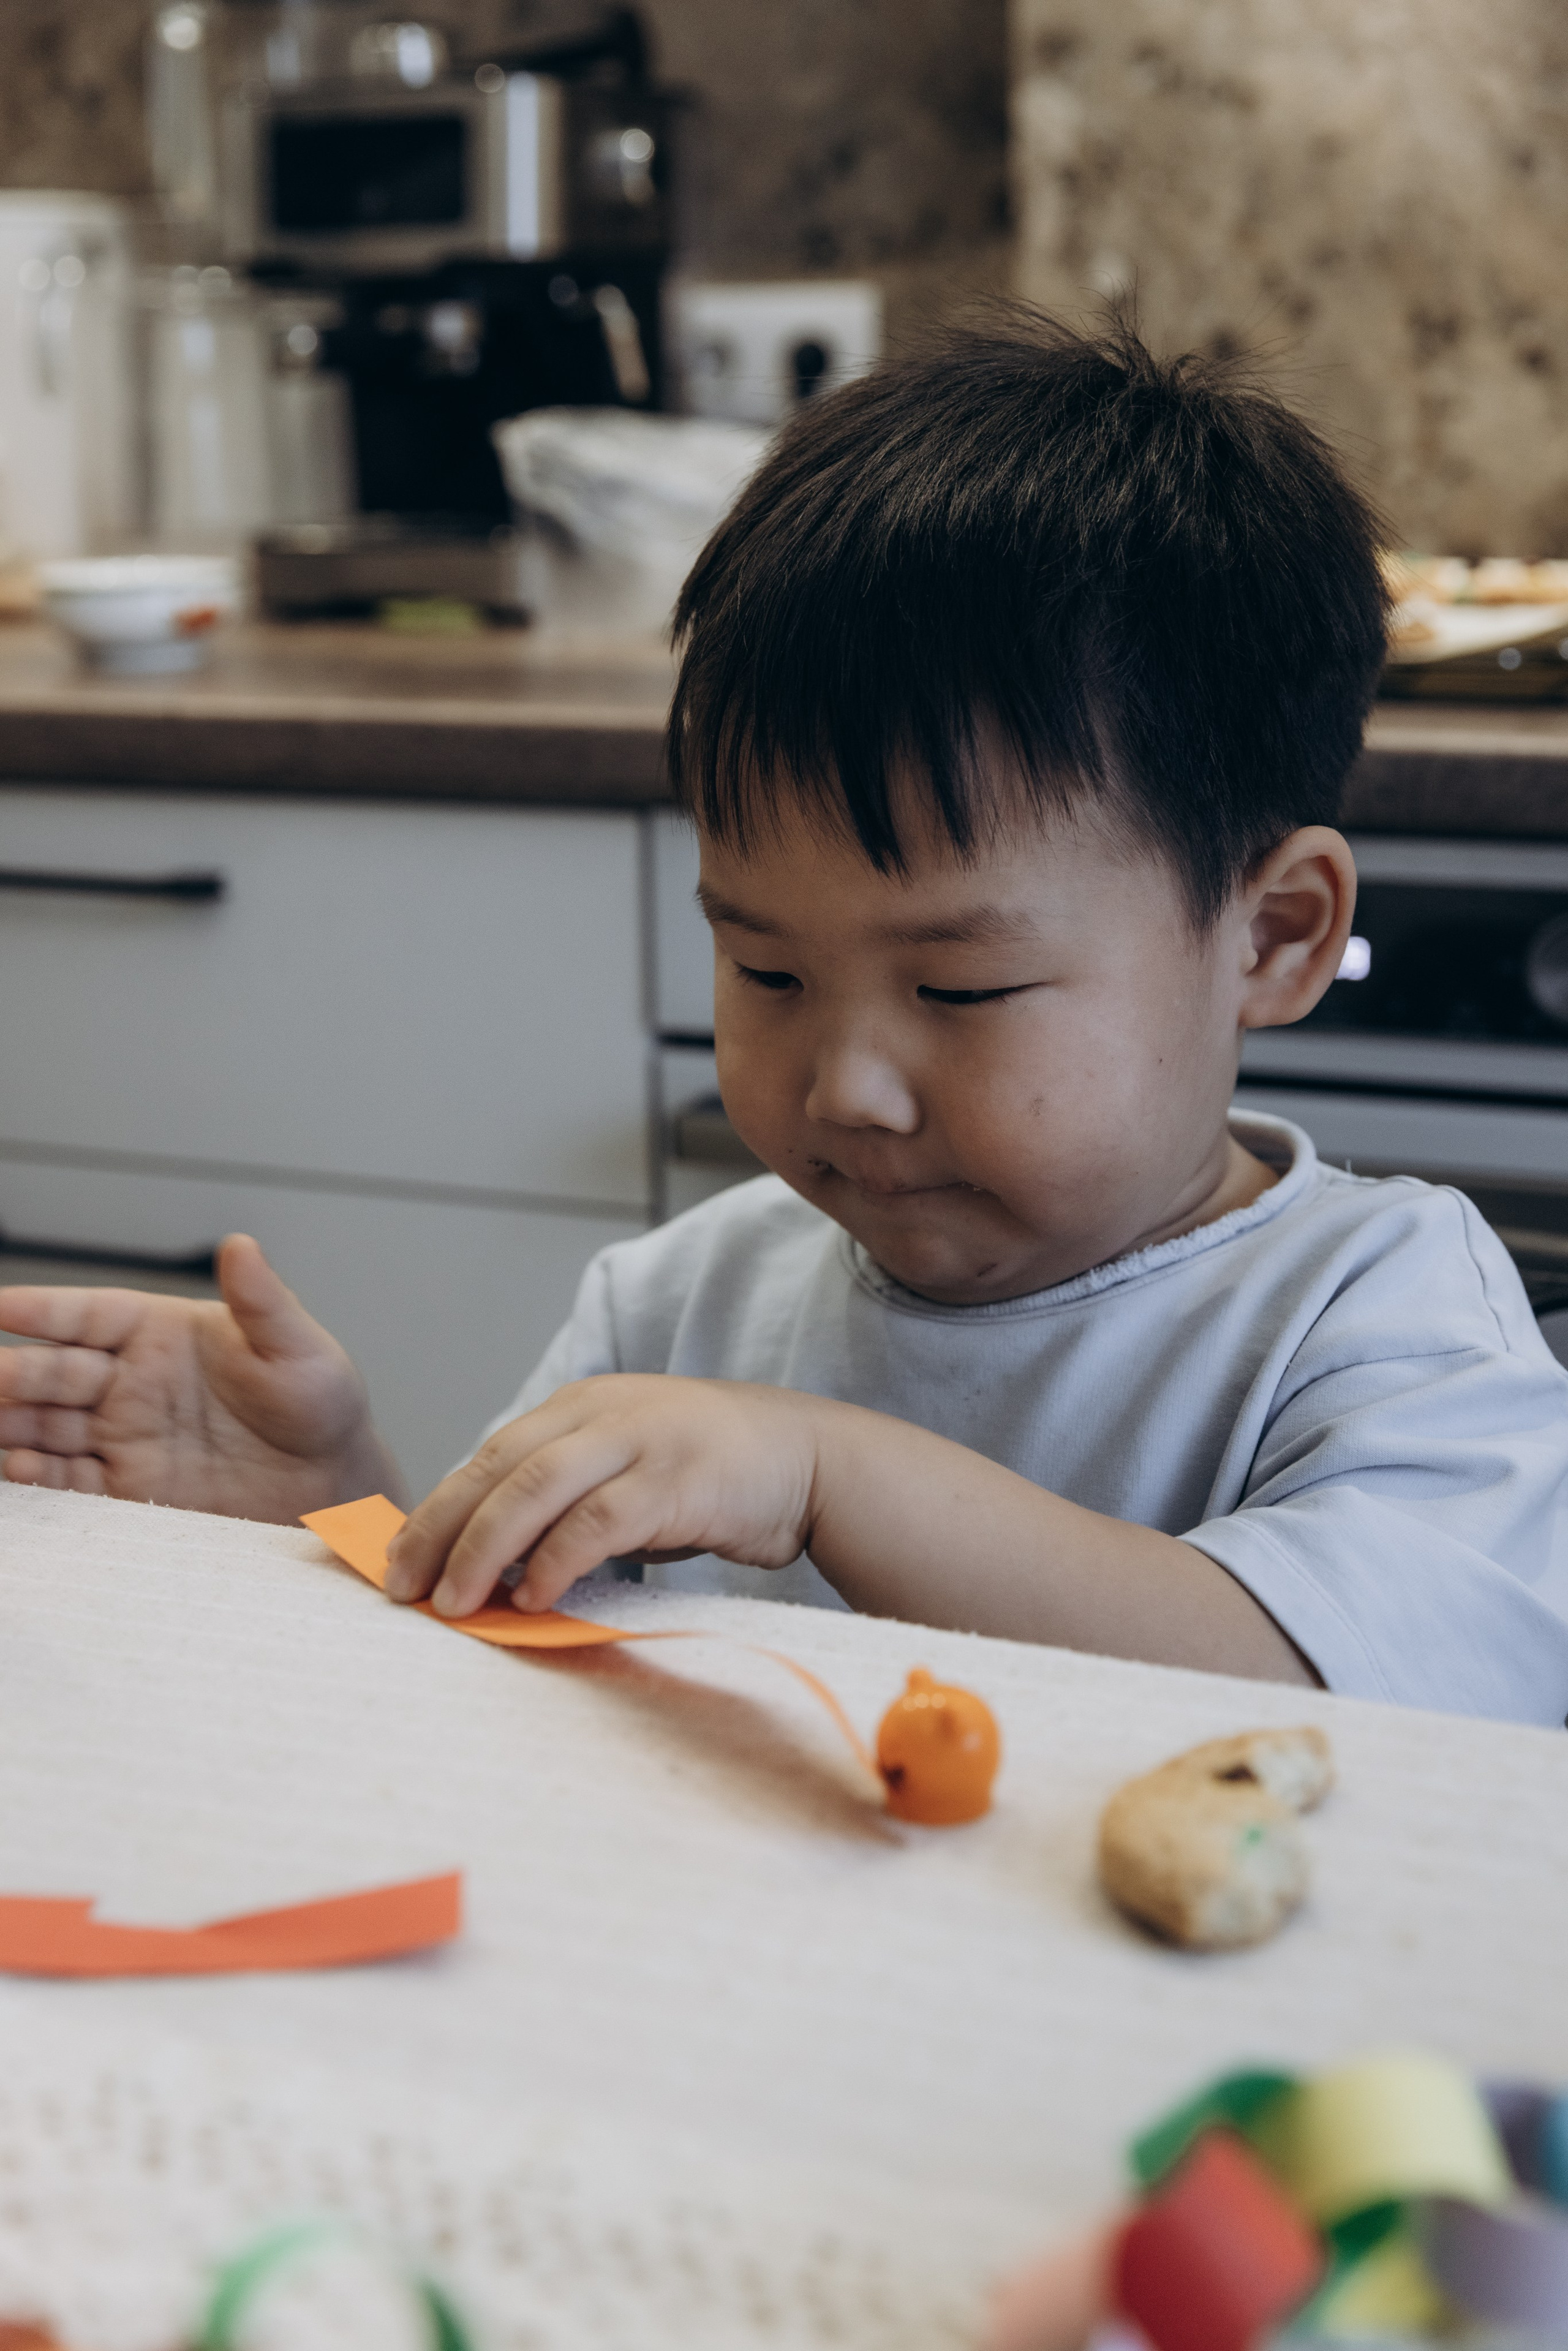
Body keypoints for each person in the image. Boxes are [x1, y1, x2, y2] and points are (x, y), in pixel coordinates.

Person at [4, 312, 1567, 1724]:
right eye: (765, 972)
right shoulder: (680, 1304)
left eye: (958, 986)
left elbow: (1322, 1698)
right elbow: (540, 1695)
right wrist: (338, 1510)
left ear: (1273, 936)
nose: (849, 1085)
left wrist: (825, 1470)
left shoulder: (1382, 1318)